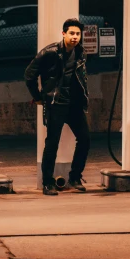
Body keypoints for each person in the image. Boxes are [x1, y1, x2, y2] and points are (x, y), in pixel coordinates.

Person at [24, 18, 90, 196]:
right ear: (64, 34)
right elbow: (29, 75)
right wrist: (38, 97)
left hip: (74, 105)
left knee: (85, 139)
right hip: (56, 103)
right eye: (72, 33)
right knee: (52, 143)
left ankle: (75, 177)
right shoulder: (50, 52)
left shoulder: (81, 52)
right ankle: (48, 183)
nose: (75, 37)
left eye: (78, 34)